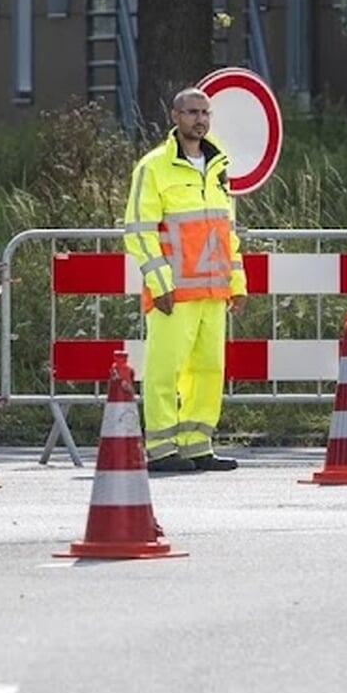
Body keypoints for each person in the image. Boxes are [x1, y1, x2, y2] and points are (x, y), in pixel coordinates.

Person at [122, 86, 246, 473]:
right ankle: (160, 448)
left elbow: (227, 232)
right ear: (174, 117)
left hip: (212, 290)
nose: (200, 119)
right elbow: (139, 231)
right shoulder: (154, 166)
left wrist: (237, 283)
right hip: (173, 292)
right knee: (165, 370)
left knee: (209, 370)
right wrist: (159, 285)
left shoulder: (218, 166)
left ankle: (197, 445)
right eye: (192, 112)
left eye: (205, 112)